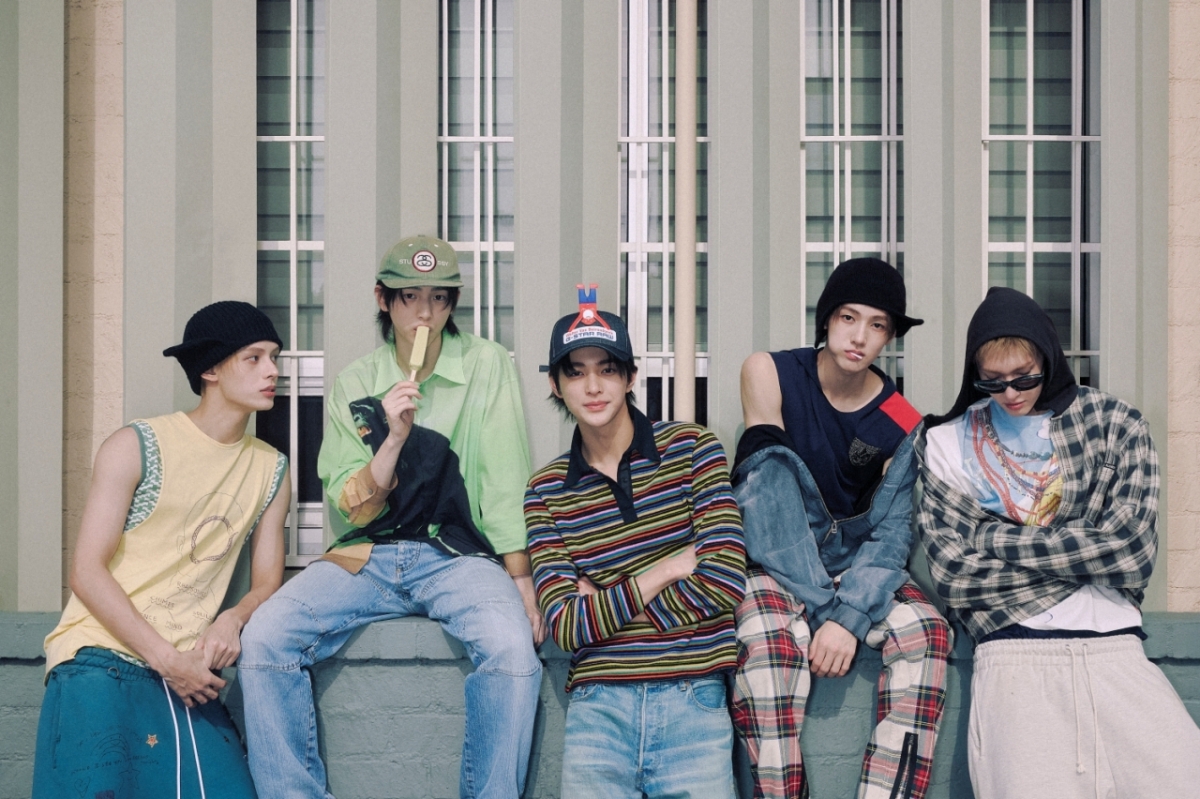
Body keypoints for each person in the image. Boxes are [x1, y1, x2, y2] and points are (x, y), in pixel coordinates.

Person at [239, 235, 544, 799]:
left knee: (510, 649)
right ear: (383, 299)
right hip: (367, 555)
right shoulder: (356, 381)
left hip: (458, 556)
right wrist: (393, 438)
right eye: (409, 297)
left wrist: (522, 576)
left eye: (439, 298)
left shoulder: (485, 364)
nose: (425, 313)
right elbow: (347, 502)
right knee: (265, 638)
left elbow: (504, 476)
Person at [917, 286, 1200, 799]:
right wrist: (1086, 559)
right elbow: (956, 578)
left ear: (1048, 357)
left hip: (1116, 651)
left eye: (1024, 376)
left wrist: (989, 535)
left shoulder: (1117, 424)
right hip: (1013, 660)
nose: (1010, 393)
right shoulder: (944, 441)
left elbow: (1131, 552)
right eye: (992, 381)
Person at [33, 301, 290, 799]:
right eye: (254, 358)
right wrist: (166, 660)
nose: (272, 371)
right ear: (210, 369)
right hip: (98, 657)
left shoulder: (271, 470)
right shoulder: (136, 445)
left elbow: (266, 582)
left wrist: (233, 618)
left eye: (274, 357)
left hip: (189, 673)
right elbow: (86, 571)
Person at [731, 258, 951, 799]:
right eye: (849, 318)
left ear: (889, 337)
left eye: (877, 325)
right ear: (827, 319)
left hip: (852, 566)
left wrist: (849, 619)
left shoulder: (902, 420)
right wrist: (830, 613)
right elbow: (768, 496)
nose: (859, 337)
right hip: (777, 561)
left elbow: (892, 532)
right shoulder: (769, 372)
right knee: (765, 642)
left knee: (927, 632)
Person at [524, 289, 747, 798]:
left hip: (693, 699)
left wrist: (604, 606)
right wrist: (665, 570)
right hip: (598, 710)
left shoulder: (693, 448)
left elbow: (724, 580)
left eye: (607, 369)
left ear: (630, 377)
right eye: (576, 373)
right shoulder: (545, 491)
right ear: (556, 385)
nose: (593, 386)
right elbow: (566, 627)